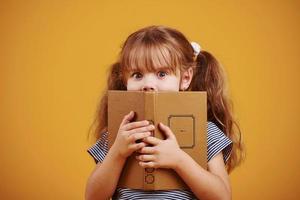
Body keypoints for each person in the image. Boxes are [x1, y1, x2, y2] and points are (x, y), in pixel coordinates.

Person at [85, 25, 245, 200]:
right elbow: (93, 197)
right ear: (125, 81)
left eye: (161, 73)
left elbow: (222, 197)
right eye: (137, 75)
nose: (148, 84)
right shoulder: (118, 133)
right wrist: (117, 152)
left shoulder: (205, 132)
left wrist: (179, 160)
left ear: (185, 79)